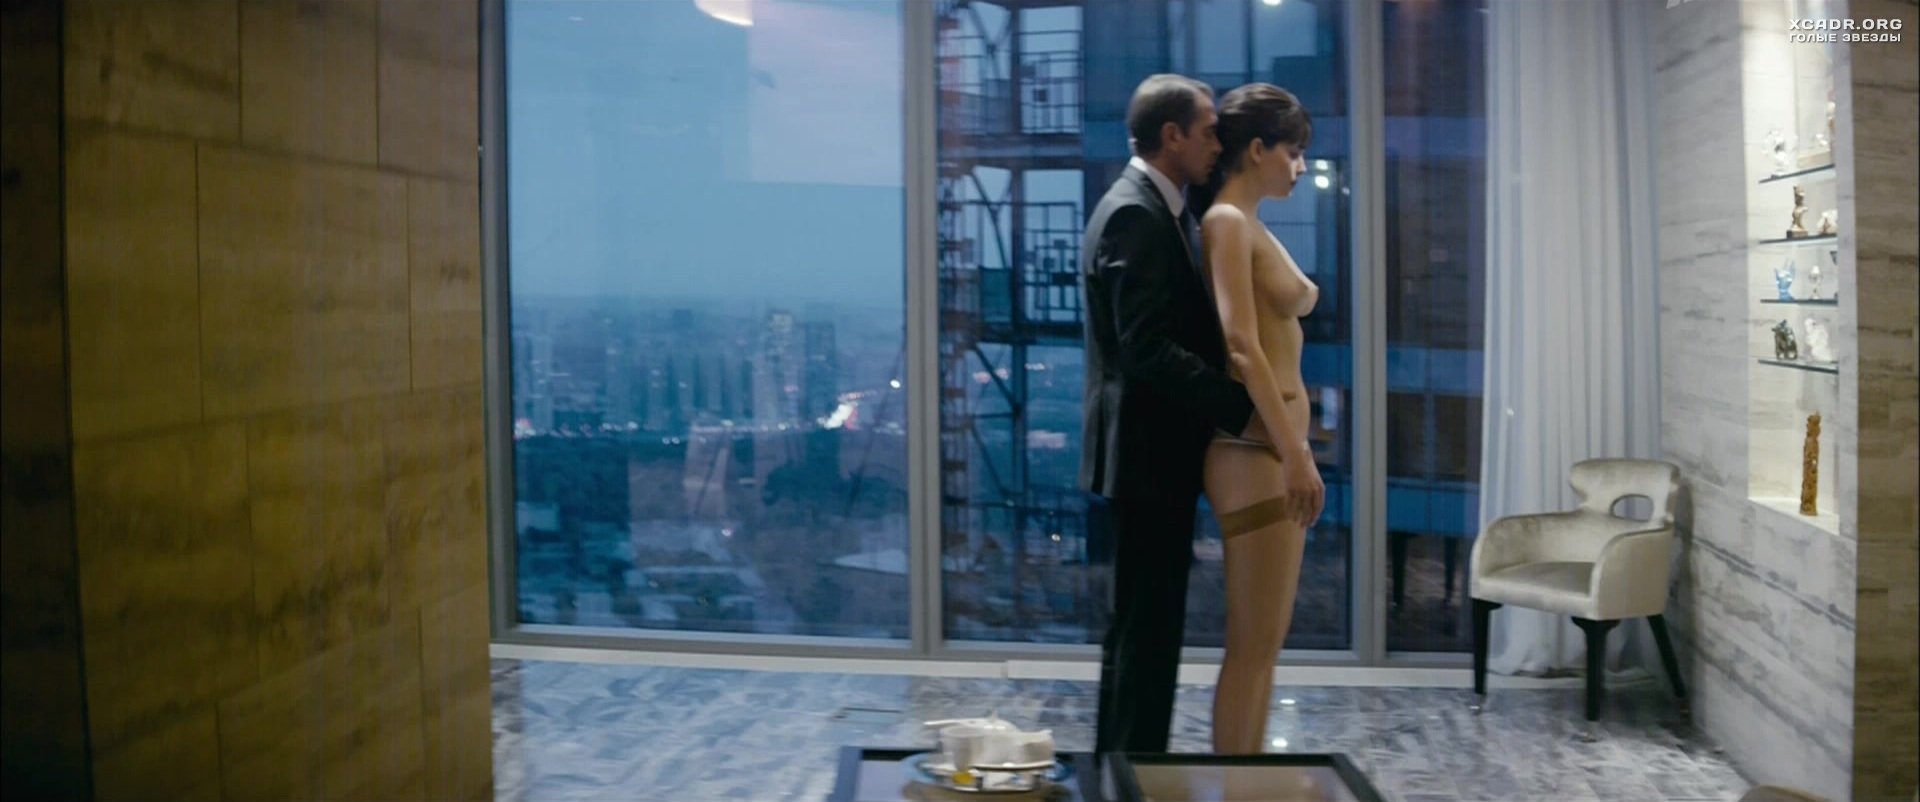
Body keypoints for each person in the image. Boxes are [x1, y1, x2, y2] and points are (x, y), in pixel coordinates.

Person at [1079, 74, 1319, 757]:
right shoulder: (1139, 213)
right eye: (1209, 131)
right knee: (1153, 638)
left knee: (1151, 637)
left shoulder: (1177, 213)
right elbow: (1149, 349)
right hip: (1155, 452)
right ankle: (1130, 777)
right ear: (1173, 135)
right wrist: (1259, 425)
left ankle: (1130, 773)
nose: (1219, 143)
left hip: (1172, 450)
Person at [1194, 83, 1325, 754]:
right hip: (1256, 455)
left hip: (1271, 450)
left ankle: (1243, 780)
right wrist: (1294, 453)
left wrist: (1296, 448)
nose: (1300, 167)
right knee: (1252, 647)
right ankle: (1233, 781)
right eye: (1293, 152)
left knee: (1264, 646)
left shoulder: (1248, 222)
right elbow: (1241, 346)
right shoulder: (1227, 222)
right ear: (1255, 149)